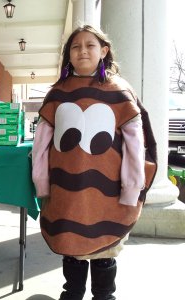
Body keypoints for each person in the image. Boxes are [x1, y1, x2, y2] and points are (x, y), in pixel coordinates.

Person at [31, 25, 157, 300]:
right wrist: (43, 184)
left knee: (104, 249)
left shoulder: (120, 92)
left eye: (90, 45)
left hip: (109, 189)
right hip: (66, 187)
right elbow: (41, 144)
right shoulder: (57, 93)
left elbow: (136, 147)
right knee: (71, 244)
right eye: (76, 46)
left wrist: (132, 188)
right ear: (69, 55)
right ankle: (72, 294)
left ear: (104, 50)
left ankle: (104, 296)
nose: (83, 51)